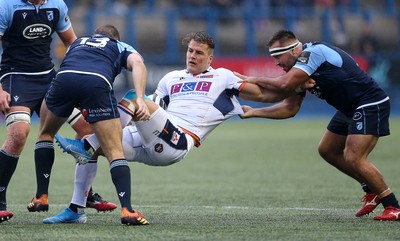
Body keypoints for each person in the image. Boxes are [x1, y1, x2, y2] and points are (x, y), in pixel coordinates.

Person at [47, 31, 308, 223]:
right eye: (190, 51)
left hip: (177, 142)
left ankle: (87, 144)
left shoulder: (223, 77)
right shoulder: (172, 77)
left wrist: (296, 87)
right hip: (147, 137)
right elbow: (152, 105)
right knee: (105, 138)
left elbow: (265, 95)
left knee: (132, 100)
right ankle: (76, 209)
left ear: (211, 57)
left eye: (199, 53)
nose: (192, 56)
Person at [236, 29, 400, 221]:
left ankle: (393, 206)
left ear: (293, 51)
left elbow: (282, 85)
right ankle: (371, 190)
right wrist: (254, 112)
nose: (276, 62)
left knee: (354, 156)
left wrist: (251, 78)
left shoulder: (313, 53)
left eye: (278, 56)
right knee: (327, 150)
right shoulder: (298, 71)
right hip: (349, 108)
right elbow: (290, 108)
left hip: (369, 103)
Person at [0, 0, 115, 223]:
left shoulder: (56, 5)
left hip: (49, 78)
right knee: (18, 134)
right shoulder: (6, 6)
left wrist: (78, 74)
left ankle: (85, 195)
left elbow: (71, 42)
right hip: (16, 78)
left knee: (87, 127)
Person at [33, 24, 151, 225]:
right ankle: (127, 211)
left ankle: (41, 196)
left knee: (45, 134)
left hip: (63, 79)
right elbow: (138, 64)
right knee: (114, 150)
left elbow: (73, 66)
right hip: (95, 83)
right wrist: (140, 97)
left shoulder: (77, 43)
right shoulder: (119, 45)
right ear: (115, 37)